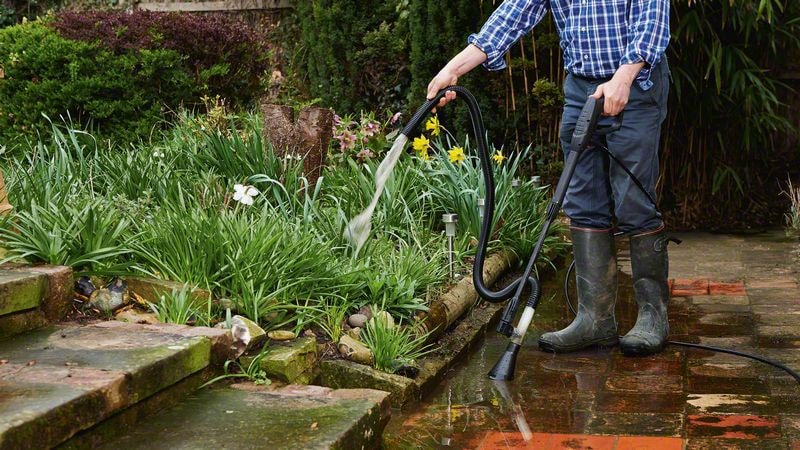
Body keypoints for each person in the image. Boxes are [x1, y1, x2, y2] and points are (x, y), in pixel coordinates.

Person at [427, 0, 671, 356]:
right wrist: (454, 68)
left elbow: (652, 18)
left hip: (634, 84)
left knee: (633, 201)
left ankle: (653, 316)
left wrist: (624, 76)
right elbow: (514, 13)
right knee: (583, 202)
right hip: (581, 88)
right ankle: (595, 320)